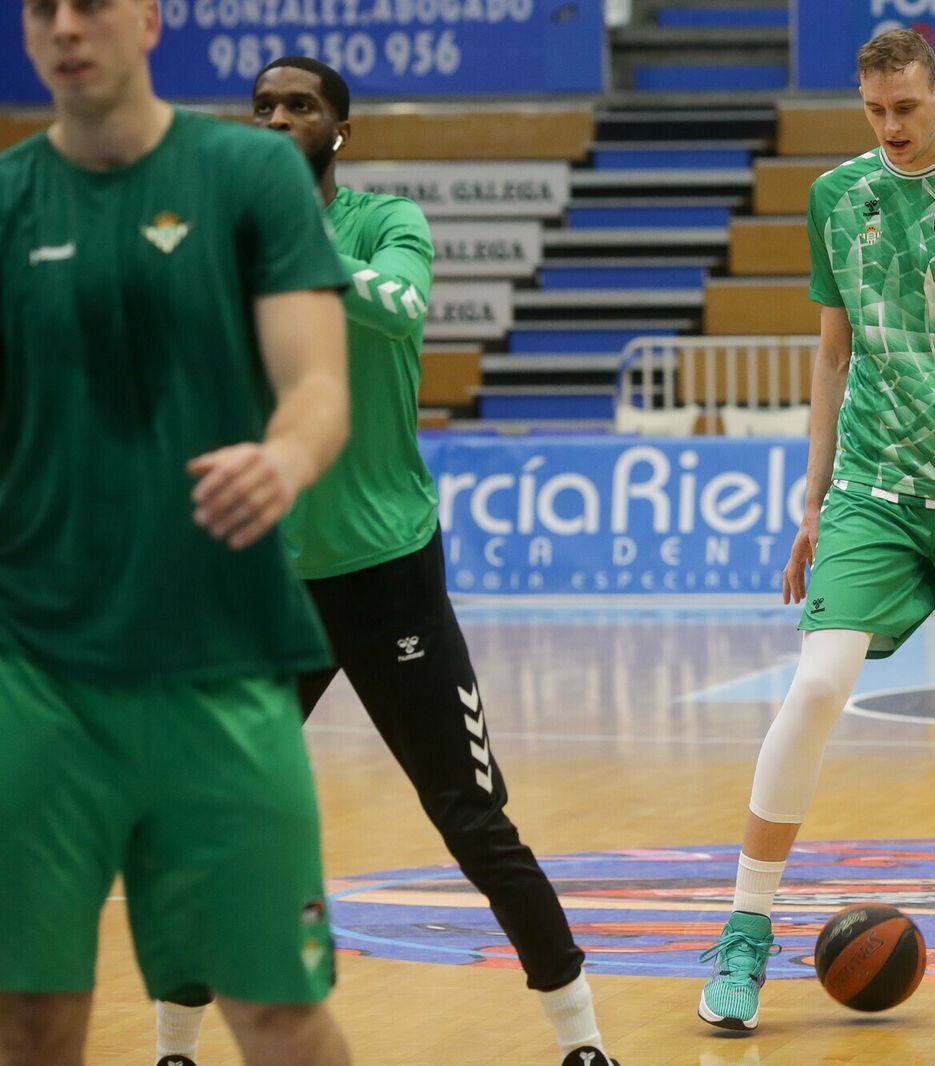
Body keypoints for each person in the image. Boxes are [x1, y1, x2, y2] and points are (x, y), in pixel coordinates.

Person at [147, 58, 617, 1066]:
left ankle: (582, 1041)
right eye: (263, 106)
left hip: (387, 570)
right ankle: (171, 1050)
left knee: (471, 818)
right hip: (262, 580)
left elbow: (399, 309)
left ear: (338, 132)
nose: (277, 118)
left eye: (299, 106)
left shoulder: (384, 224)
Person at [696, 28, 935, 1033]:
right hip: (874, 482)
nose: (892, 127)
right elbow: (830, 356)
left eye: (907, 107)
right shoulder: (837, 198)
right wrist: (812, 499)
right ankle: (743, 931)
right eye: (875, 111)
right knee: (816, 684)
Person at [0, 3, 353, 1065]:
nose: (67, 27)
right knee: (31, 1015)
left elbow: (318, 387)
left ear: (148, 20)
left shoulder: (250, 178)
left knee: (278, 1009)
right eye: (42, 8)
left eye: (92, 4)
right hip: (38, 673)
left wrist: (283, 459)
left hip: (224, 661)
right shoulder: (9, 202)